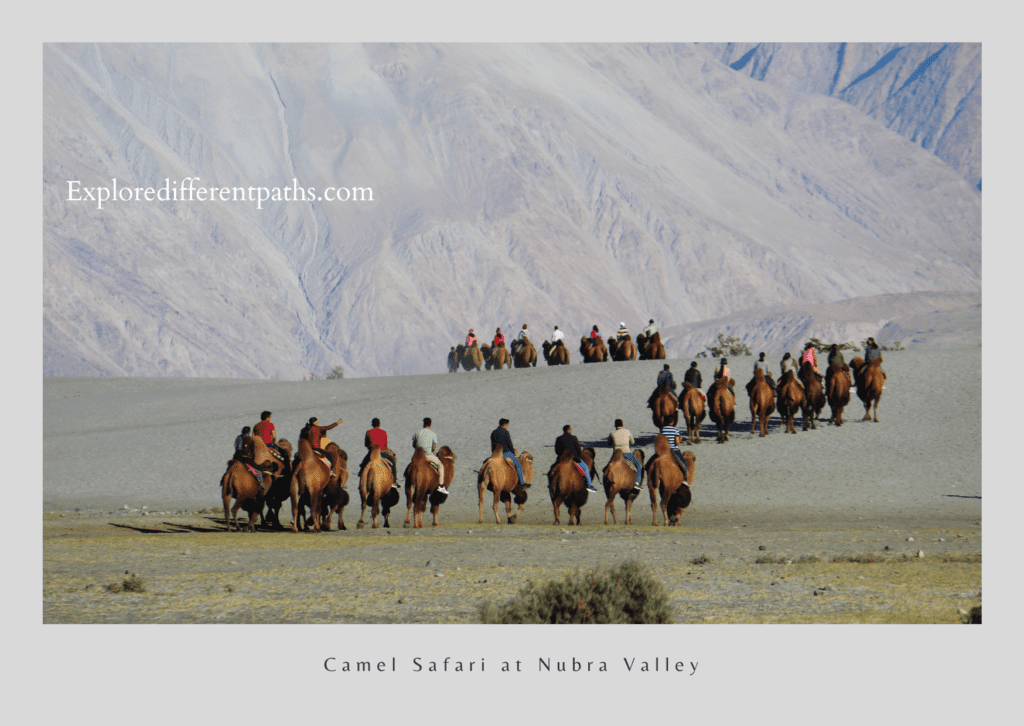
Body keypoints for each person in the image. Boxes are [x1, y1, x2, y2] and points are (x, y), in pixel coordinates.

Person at [555, 424, 596, 493]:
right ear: (568, 430)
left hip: (562, 459)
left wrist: (561, 456)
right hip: (574, 459)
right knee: (586, 468)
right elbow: (578, 450)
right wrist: (578, 457)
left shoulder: (559, 438)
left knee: (553, 469)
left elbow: (557, 450)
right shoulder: (574, 438)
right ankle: (589, 485)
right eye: (570, 429)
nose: (571, 430)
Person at [412, 417, 447, 495]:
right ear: (430, 425)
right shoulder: (433, 434)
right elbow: (433, 448)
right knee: (441, 466)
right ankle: (441, 486)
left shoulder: (417, 433)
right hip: (428, 456)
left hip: (417, 457)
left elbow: (414, 445)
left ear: (423, 424)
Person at [490, 418, 528, 489]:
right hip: (505, 453)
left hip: (495, 453)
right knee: (518, 464)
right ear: (504, 425)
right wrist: (513, 451)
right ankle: (522, 483)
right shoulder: (505, 432)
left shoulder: (493, 432)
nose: (507, 426)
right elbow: (509, 443)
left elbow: (492, 444)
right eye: (507, 424)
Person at [608, 419, 642, 490]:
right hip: (627, 454)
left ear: (615, 425)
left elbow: (609, 444)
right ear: (622, 425)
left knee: (607, 467)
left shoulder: (612, 433)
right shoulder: (627, 431)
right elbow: (632, 442)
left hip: (616, 454)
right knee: (638, 465)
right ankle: (637, 482)